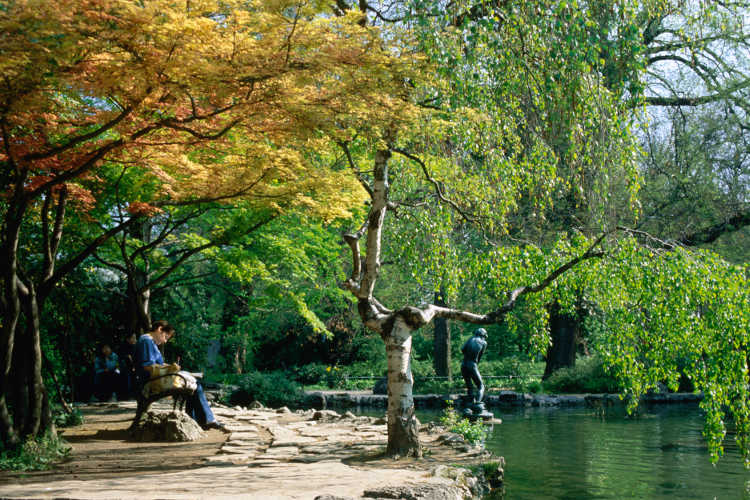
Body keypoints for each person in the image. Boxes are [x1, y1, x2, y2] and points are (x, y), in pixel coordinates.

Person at [135, 320, 229, 432]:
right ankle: (206, 420)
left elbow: (155, 365)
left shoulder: (149, 342)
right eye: (166, 337)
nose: (165, 341)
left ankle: (198, 420)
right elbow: (147, 367)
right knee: (195, 385)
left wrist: (170, 367)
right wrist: (169, 369)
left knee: (191, 384)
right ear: (159, 329)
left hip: (154, 379)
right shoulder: (147, 341)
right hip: (151, 382)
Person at [461, 327, 488, 406]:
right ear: (483, 335)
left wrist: (467, 355)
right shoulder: (483, 343)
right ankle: (478, 404)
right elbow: (479, 356)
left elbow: (462, 349)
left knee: (469, 386)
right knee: (481, 386)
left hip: (463, 364)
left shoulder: (471, 339)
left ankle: (470, 404)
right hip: (472, 364)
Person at [118, 332, 138, 399]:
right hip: (126, 367)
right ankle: (127, 395)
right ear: (128, 339)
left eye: (135, 338)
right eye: (133, 338)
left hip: (135, 366)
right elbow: (124, 358)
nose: (135, 340)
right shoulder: (123, 347)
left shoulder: (136, 346)